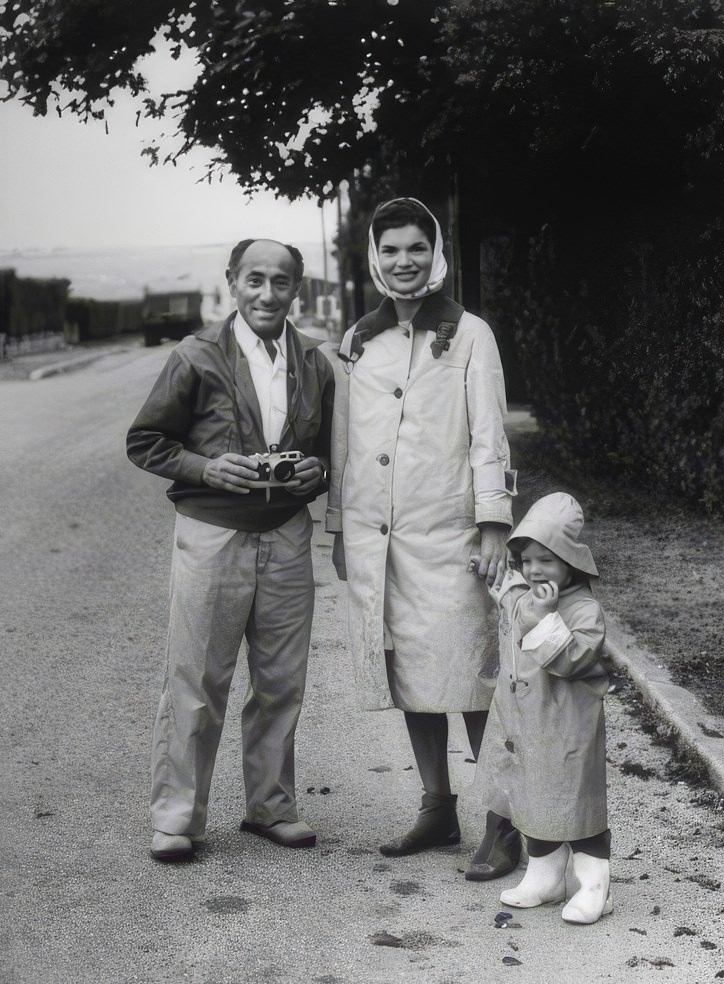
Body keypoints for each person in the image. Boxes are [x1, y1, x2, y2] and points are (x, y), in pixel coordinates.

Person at [326, 197, 521, 880]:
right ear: (373, 259)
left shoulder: (471, 334)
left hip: (453, 537)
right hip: (383, 544)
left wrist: (494, 523)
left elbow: (489, 433)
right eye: (389, 250)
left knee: (469, 678)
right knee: (409, 674)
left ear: (433, 254)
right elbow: (346, 443)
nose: (402, 262)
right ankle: (437, 807)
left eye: (415, 248)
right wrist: (341, 530)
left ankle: (505, 822)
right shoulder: (359, 341)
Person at [127, 238, 335, 862]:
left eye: (280, 283)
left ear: (296, 289)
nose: (267, 294)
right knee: (197, 676)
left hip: (286, 535)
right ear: (232, 283)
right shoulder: (195, 356)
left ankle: (271, 806)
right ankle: (176, 816)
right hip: (211, 534)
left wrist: (315, 473)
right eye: (255, 281)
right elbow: (146, 441)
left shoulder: (314, 362)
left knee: (281, 679)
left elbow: (326, 450)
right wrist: (206, 469)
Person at [476, 492, 613, 924]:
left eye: (547, 561)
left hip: (569, 726)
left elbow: (574, 660)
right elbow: (507, 595)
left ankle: (594, 885)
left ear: (570, 563)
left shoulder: (583, 610)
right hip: (528, 723)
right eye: (527, 559)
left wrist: (544, 616)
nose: (535, 570)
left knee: (576, 803)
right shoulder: (526, 596)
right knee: (532, 797)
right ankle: (545, 876)